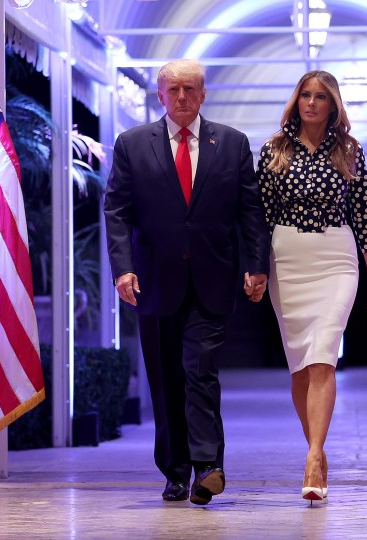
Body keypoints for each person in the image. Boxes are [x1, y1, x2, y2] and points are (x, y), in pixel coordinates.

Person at [104, 59, 269, 505]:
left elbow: (249, 211)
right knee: (165, 379)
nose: (181, 97)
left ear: (203, 95)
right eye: (173, 89)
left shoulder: (232, 144)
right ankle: (176, 473)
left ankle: (208, 466)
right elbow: (116, 210)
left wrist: (257, 266)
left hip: (212, 279)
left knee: (201, 372)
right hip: (154, 281)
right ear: (160, 95)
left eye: (190, 89)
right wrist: (122, 267)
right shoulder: (132, 144)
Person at [256, 70, 367, 503]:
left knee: (323, 359)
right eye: (305, 96)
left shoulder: (350, 151)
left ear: (333, 104)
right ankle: (317, 445)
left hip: (337, 256)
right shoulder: (273, 151)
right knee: (300, 363)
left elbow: (366, 218)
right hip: (287, 259)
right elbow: (259, 219)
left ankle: (313, 457)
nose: (311, 103)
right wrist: (255, 270)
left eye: (320, 97)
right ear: (297, 101)